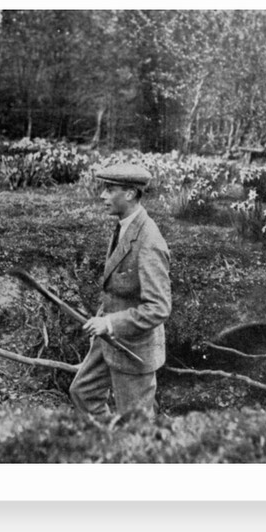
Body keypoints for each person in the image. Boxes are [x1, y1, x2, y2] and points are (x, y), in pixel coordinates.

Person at [70, 163, 172, 419]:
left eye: (110, 189)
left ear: (129, 193)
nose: (102, 195)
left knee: (135, 423)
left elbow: (158, 308)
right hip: (109, 341)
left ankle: (128, 444)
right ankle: (110, 440)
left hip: (134, 347)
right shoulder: (125, 226)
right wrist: (104, 321)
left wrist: (110, 323)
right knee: (84, 392)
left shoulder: (149, 241)